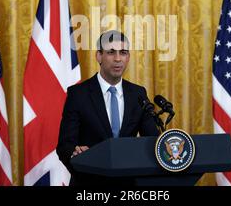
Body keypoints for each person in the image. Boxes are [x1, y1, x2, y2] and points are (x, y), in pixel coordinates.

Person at [57, 30, 160, 186]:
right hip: (89, 183)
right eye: (111, 52)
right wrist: (76, 153)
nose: (118, 59)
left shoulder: (138, 94)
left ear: (128, 57)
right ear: (99, 56)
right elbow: (64, 145)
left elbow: (152, 140)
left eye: (123, 53)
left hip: (129, 185)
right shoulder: (78, 94)